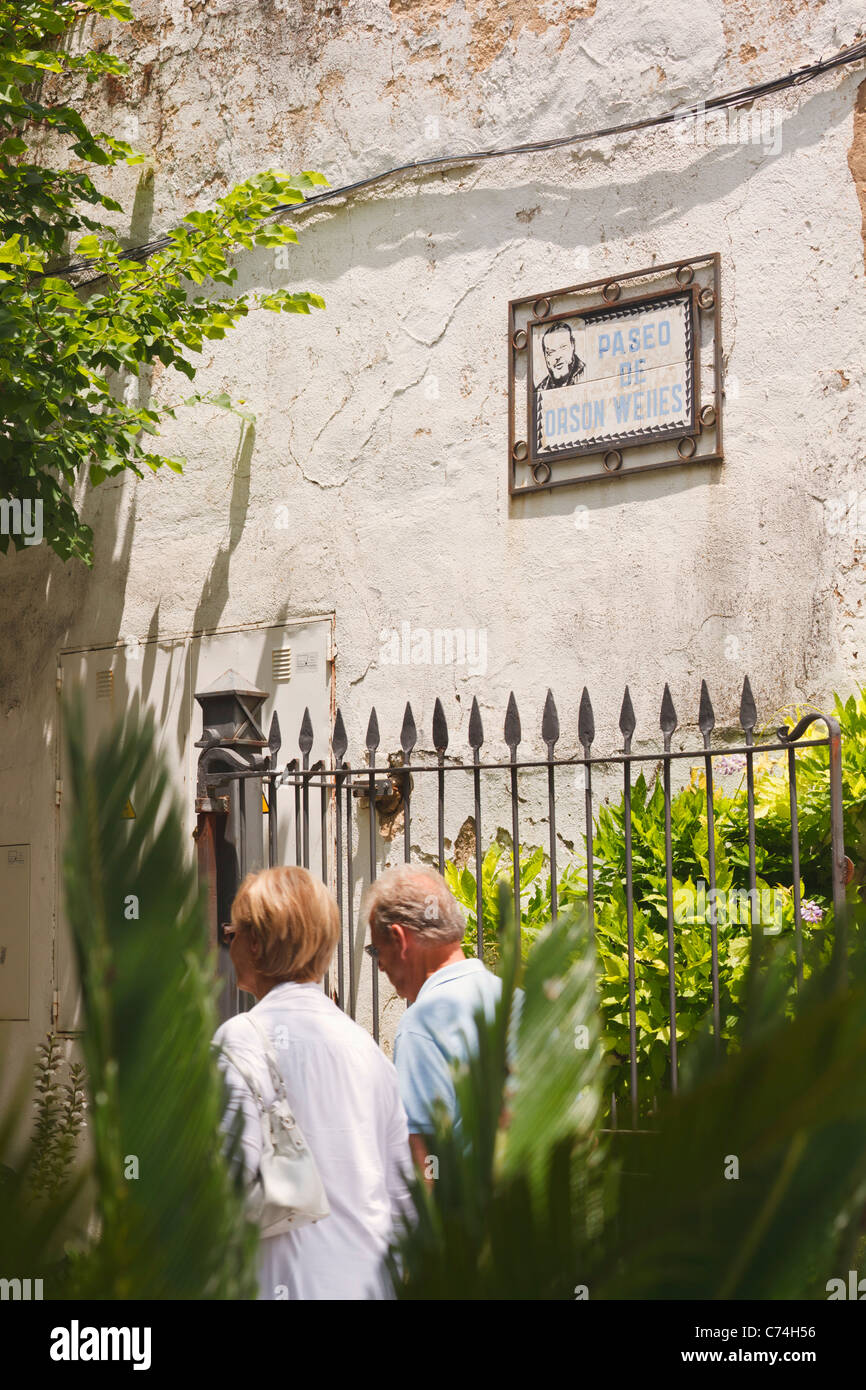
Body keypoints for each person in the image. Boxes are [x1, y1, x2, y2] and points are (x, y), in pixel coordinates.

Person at [212, 866, 412, 1300]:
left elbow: (223, 1188)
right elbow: (403, 1200)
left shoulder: (240, 1040)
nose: (229, 944)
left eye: (234, 932)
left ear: (256, 942)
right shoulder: (368, 1051)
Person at [362, 864, 503, 1169]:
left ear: (399, 939)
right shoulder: (514, 998)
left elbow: (424, 1157)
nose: (380, 966)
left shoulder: (423, 1023)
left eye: (375, 951)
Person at [536, 319, 585, 389]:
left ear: (573, 345)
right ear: (546, 357)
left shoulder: (587, 374)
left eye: (563, 347)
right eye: (551, 352)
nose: (558, 356)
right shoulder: (540, 390)